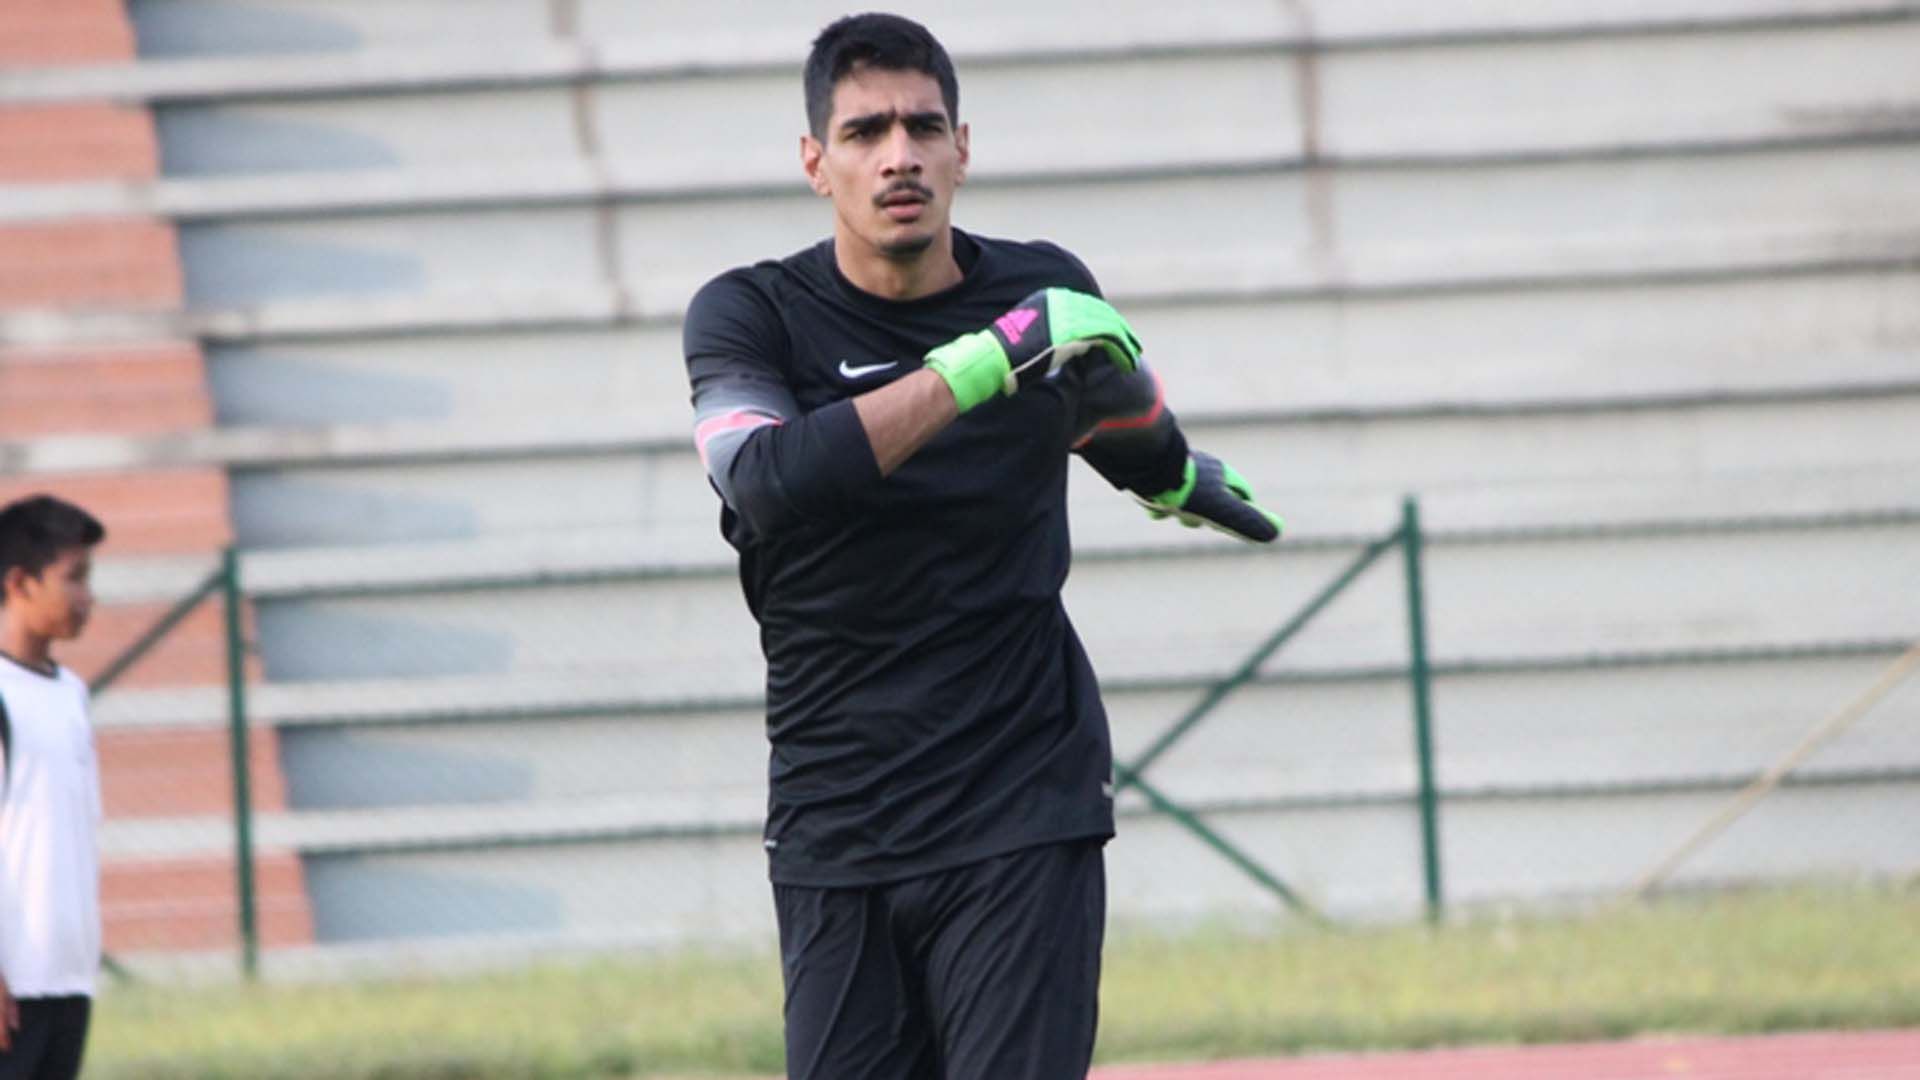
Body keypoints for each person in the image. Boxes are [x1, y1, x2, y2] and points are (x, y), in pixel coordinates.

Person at [681, 13, 1283, 1079]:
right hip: (837, 817)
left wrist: (1175, 470)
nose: (899, 155)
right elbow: (764, 483)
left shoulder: (1040, 288)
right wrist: (984, 363)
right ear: (816, 162)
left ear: (965, 146)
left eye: (923, 126)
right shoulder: (751, 316)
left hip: (1023, 801)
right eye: (866, 132)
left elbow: (1107, 400)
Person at [0, 495, 105, 1080]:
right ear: (20, 582)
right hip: (14, 987)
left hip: (65, 975)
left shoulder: (70, 694)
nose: (89, 597)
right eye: (74, 579)